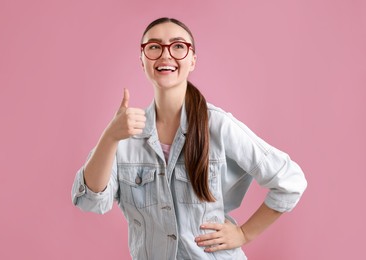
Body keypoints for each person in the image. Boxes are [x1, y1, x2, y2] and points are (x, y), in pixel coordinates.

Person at [71, 17, 307, 259]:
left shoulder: (217, 125)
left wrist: (244, 234)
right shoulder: (123, 134)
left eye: (178, 46)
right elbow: (90, 201)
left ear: (192, 59)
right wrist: (110, 137)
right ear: (142, 61)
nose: (166, 55)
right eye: (154, 46)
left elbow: (290, 182)